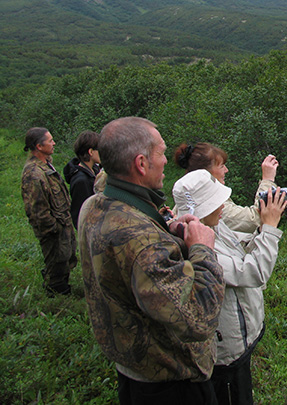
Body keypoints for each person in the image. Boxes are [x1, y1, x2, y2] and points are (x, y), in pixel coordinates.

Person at [78, 117, 225, 405]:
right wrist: (202, 249)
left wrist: (164, 227)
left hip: (133, 367)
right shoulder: (142, 240)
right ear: (141, 164)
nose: (166, 160)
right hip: (171, 382)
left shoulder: (94, 206)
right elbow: (199, 318)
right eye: (160, 153)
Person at [172, 169, 287, 405]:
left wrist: (259, 231)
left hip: (236, 342)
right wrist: (270, 228)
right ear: (202, 210)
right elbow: (253, 271)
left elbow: (237, 248)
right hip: (225, 354)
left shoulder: (211, 226)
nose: (223, 206)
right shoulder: (197, 249)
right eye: (217, 202)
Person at [21, 127, 77, 297]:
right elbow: (37, 209)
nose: (53, 143)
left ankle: (60, 287)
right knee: (56, 262)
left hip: (61, 223)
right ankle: (56, 295)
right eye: (50, 140)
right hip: (53, 230)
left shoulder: (46, 163)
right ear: (39, 146)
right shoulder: (33, 173)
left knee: (65, 260)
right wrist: (53, 229)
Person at [174, 142, 279, 232]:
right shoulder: (211, 207)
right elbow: (254, 219)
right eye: (221, 166)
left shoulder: (188, 199)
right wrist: (267, 180)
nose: (226, 170)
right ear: (205, 174)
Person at [63, 130, 101, 229]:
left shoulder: (94, 170)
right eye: (99, 149)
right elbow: (79, 215)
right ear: (91, 152)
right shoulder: (81, 181)